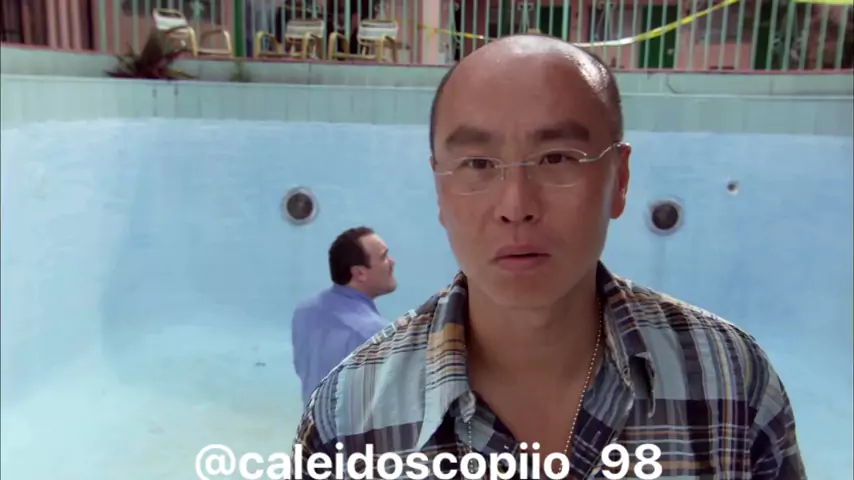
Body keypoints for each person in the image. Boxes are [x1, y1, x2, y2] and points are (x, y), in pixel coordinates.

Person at [293, 35, 806, 479]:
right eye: (478, 163)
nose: (516, 206)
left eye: (557, 158)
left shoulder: (732, 385)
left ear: (620, 179)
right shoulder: (348, 418)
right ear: (440, 191)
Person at [291, 226, 396, 406]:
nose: (392, 262)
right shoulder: (375, 334)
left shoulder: (304, 312)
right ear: (359, 273)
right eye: (384, 257)